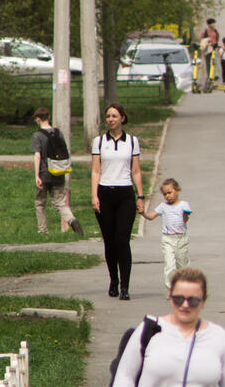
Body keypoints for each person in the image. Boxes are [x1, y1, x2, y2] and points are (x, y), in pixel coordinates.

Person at [90, 102, 143, 299]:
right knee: (110, 242)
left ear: (122, 118)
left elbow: (136, 171)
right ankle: (113, 280)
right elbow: (96, 170)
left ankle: (125, 287)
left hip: (125, 194)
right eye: (108, 116)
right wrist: (94, 195)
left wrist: (141, 196)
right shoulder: (99, 142)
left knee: (123, 241)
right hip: (105, 193)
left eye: (114, 116)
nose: (110, 119)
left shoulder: (132, 141)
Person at [29, 107, 83, 238]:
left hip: (44, 174)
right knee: (59, 202)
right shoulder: (58, 132)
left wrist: (37, 176)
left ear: (37, 119)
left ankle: (43, 231)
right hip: (59, 172)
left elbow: (37, 156)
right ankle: (72, 220)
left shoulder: (37, 135)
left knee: (40, 203)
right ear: (49, 117)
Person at [143, 178, 192, 287]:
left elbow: (185, 219)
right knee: (169, 265)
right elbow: (151, 217)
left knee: (183, 265)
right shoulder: (163, 206)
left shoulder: (184, 205)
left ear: (177, 190)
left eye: (169, 192)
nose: (167, 196)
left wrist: (185, 215)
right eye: (165, 194)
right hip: (168, 239)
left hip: (181, 239)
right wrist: (143, 213)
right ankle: (171, 288)